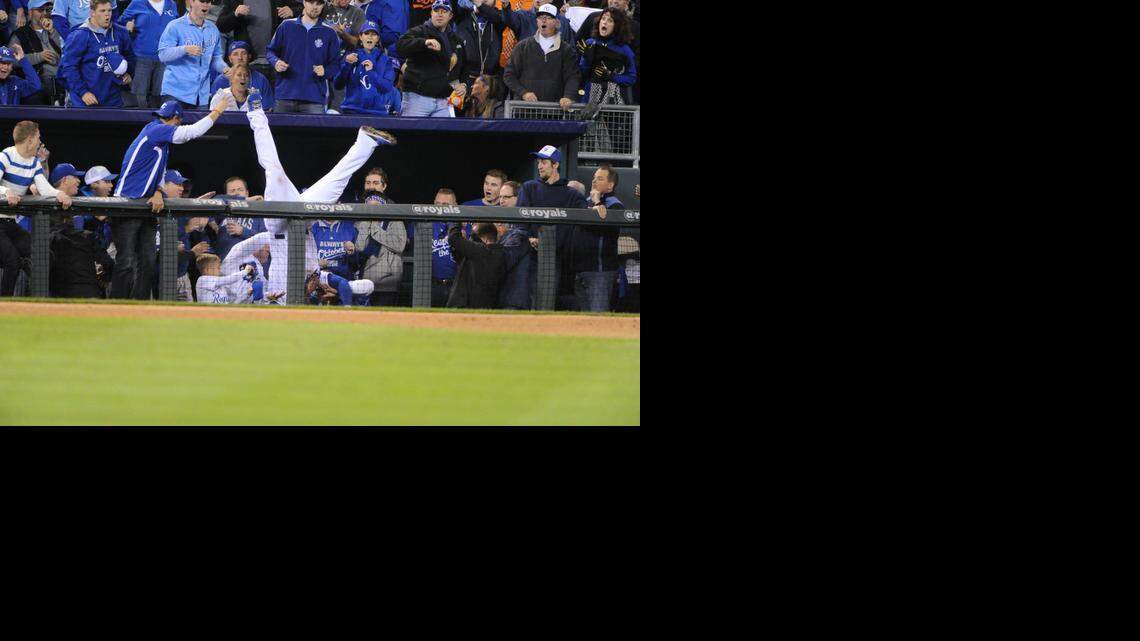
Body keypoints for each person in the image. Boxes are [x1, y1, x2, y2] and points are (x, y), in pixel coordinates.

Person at [221, 102, 395, 304]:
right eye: (315, 287)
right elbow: (354, 284)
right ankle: (365, 142)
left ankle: (255, 111)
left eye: (313, 286)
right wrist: (340, 297)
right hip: (302, 219)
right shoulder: (316, 274)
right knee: (335, 184)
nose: (314, 284)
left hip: (278, 226)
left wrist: (267, 297)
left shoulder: (283, 291)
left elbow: (261, 289)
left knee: (274, 170)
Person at [111, 97, 231, 299]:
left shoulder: (161, 143)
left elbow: (159, 173)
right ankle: (115, 305)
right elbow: (190, 133)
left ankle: (138, 306)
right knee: (127, 262)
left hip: (145, 204)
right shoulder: (155, 129)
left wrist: (158, 191)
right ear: (176, 119)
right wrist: (217, 111)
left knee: (146, 261)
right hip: (126, 202)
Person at [1, 121, 73, 297]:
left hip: (9, 223)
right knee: (12, 260)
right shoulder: (5, 156)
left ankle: (39, 299)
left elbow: (44, 188)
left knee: (43, 254)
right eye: (39, 138)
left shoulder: (34, 163)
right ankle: (4, 305)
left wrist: (59, 194)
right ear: (30, 139)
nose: (41, 142)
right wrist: (6, 191)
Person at [565, 162, 621, 312]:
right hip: (580, 271)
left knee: (599, 317)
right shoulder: (584, 203)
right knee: (584, 320)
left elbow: (607, 228)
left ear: (610, 186)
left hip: (599, 273)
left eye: (600, 179)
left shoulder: (615, 205)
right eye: (594, 177)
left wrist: (597, 201)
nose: (594, 181)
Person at [266, 0, 340, 113]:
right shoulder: (286, 26)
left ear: (323, 5)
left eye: (319, 4)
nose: (315, 7)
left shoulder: (329, 32)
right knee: (279, 131)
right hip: (285, 95)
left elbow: (335, 64)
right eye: (311, 2)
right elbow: (270, 51)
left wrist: (325, 71)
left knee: (314, 131)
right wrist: (276, 62)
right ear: (304, 2)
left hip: (314, 98)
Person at [396, 0, 465, 118]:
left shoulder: (456, 39)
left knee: (444, 136)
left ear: (450, 16)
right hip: (417, 98)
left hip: (444, 100)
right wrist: (424, 42)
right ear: (431, 13)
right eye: (436, 10)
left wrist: (464, 85)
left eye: (444, 11)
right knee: (411, 135)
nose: (440, 14)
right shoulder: (420, 31)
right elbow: (401, 45)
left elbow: (465, 66)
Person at [59, 0, 134, 108]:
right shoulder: (79, 35)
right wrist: (83, 92)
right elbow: (68, 68)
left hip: (113, 100)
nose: (107, 14)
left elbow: (130, 56)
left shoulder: (120, 32)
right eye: (102, 11)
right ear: (92, 12)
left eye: (109, 10)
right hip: (85, 101)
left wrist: (129, 73)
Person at [157, 0, 228, 109]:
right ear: (191, 2)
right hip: (175, 94)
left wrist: (225, 69)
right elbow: (163, 54)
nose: (206, 4)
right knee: (173, 126)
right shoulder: (175, 26)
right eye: (202, 1)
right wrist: (185, 49)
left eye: (208, 2)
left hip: (201, 96)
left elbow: (216, 58)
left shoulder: (213, 29)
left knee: (201, 126)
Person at [502, 3, 576, 108]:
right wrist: (524, 93)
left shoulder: (566, 50)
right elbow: (509, 75)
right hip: (524, 110)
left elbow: (573, 76)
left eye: (548, 17)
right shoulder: (522, 47)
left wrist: (568, 96)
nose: (544, 20)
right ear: (536, 21)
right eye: (540, 17)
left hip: (554, 111)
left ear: (557, 22)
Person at [216, 0, 302, 83]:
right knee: (251, 97)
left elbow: (306, 9)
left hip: (276, 63)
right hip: (248, 64)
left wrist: (292, 11)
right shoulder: (235, 1)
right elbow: (221, 26)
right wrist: (234, 14)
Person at [353, 176, 405, 306]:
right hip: (365, 281)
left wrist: (375, 228)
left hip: (387, 283)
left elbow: (399, 245)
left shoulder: (394, 219)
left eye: (376, 207)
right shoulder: (360, 222)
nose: (373, 210)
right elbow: (359, 247)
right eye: (369, 207)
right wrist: (366, 223)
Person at [117, 0, 178, 108]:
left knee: (160, 95)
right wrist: (127, 25)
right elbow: (120, 23)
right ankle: (140, 123)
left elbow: (176, 26)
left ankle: (157, 123)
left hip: (165, 58)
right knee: (139, 97)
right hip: (141, 58)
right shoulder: (137, 3)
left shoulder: (171, 4)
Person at [332, 19, 399, 115]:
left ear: (378, 39)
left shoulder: (385, 60)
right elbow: (338, 85)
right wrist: (347, 65)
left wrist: (372, 73)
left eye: (374, 34)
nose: (370, 37)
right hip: (351, 111)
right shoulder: (351, 57)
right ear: (360, 36)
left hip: (377, 113)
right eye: (366, 33)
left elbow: (387, 87)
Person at [49, 212, 115, 298]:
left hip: (58, 294)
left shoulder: (49, 238)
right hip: (88, 291)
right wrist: (105, 278)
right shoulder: (88, 236)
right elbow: (107, 263)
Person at [9, 0, 62, 106]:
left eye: (47, 10)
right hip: (38, 84)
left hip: (61, 80)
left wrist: (52, 32)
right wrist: (38, 57)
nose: (44, 13)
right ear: (30, 12)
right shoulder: (20, 34)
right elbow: (10, 60)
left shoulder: (55, 29)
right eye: (40, 10)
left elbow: (68, 51)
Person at [445, 220, 505, 309]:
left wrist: (456, 219)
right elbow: (462, 261)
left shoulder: (480, 251)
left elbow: (453, 238)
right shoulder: (501, 253)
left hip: (466, 306)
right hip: (487, 305)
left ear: (485, 239)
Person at [451, 0, 504, 95]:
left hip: (490, 80)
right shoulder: (463, 15)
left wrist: (479, 4)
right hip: (466, 78)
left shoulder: (498, 16)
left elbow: (498, 18)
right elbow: (453, 6)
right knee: (464, 109)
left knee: (490, 109)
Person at [320, 0, 363, 110]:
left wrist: (343, 33)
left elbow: (357, 42)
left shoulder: (357, 13)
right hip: (320, 64)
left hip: (341, 68)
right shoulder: (322, 8)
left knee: (337, 110)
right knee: (317, 110)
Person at [209, 41, 274, 109]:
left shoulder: (261, 79)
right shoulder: (220, 81)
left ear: (249, 56)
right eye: (235, 54)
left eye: (244, 53)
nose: (240, 57)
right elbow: (214, 112)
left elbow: (267, 110)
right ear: (230, 58)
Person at [195, 253, 268, 303]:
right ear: (207, 270)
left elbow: (234, 304)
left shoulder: (222, 288)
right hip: (209, 318)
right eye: (217, 268)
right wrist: (245, 271)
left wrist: (247, 294)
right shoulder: (202, 281)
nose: (219, 270)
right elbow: (228, 280)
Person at [51, 0, 118, 41]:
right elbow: (58, 19)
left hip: (103, 38)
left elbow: (114, 15)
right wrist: (72, 40)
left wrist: (111, 37)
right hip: (77, 38)